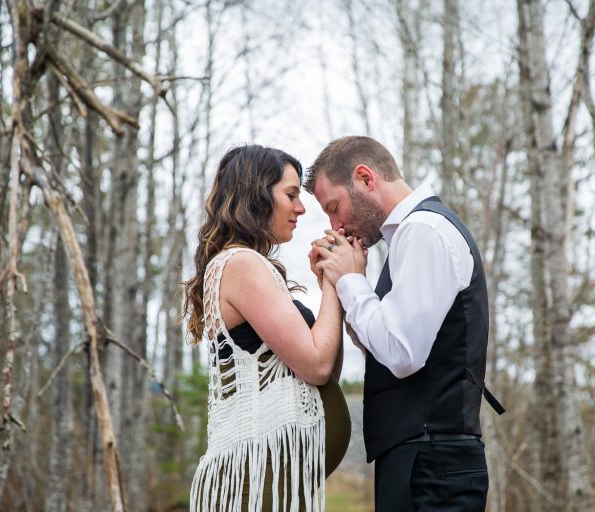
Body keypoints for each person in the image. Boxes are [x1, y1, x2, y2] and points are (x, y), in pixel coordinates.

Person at [305, 136, 504, 512]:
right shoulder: (408, 238)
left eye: (335, 207)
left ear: (365, 178)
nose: (335, 223)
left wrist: (352, 281)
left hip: (431, 462)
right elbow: (386, 344)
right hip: (421, 458)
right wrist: (341, 286)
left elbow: (402, 353)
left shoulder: (424, 231)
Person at [183, 145, 350, 512]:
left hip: (271, 477)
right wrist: (338, 283)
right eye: (291, 195)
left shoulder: (247, 265)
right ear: (257, 194)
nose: (301, 208)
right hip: (256, 475)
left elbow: (322, 375)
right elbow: (317, 364)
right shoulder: (241, 263)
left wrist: (327, 284)